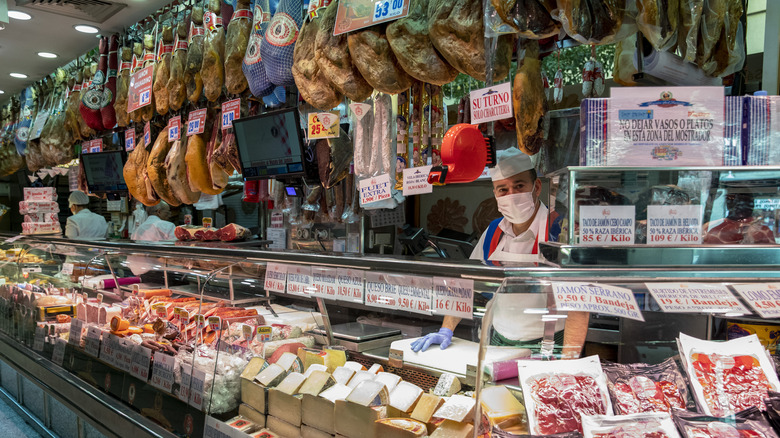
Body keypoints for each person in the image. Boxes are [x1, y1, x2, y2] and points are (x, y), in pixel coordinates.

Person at [411, 148, 589, 358]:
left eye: (519, 186)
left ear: (537, 187)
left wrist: (568, 361)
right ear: (495, 194)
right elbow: (466, 285)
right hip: (497, 341)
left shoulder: (561, 230)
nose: (511, 195)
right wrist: (446, 329)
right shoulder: (493, 231)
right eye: (503, 189)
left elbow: (579, 305)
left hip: (549, 345)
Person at [703, 191, 776, 244]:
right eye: (734, 200)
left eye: (744, 200)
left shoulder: (710, 230)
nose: (740, 204)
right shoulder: (764, 231)